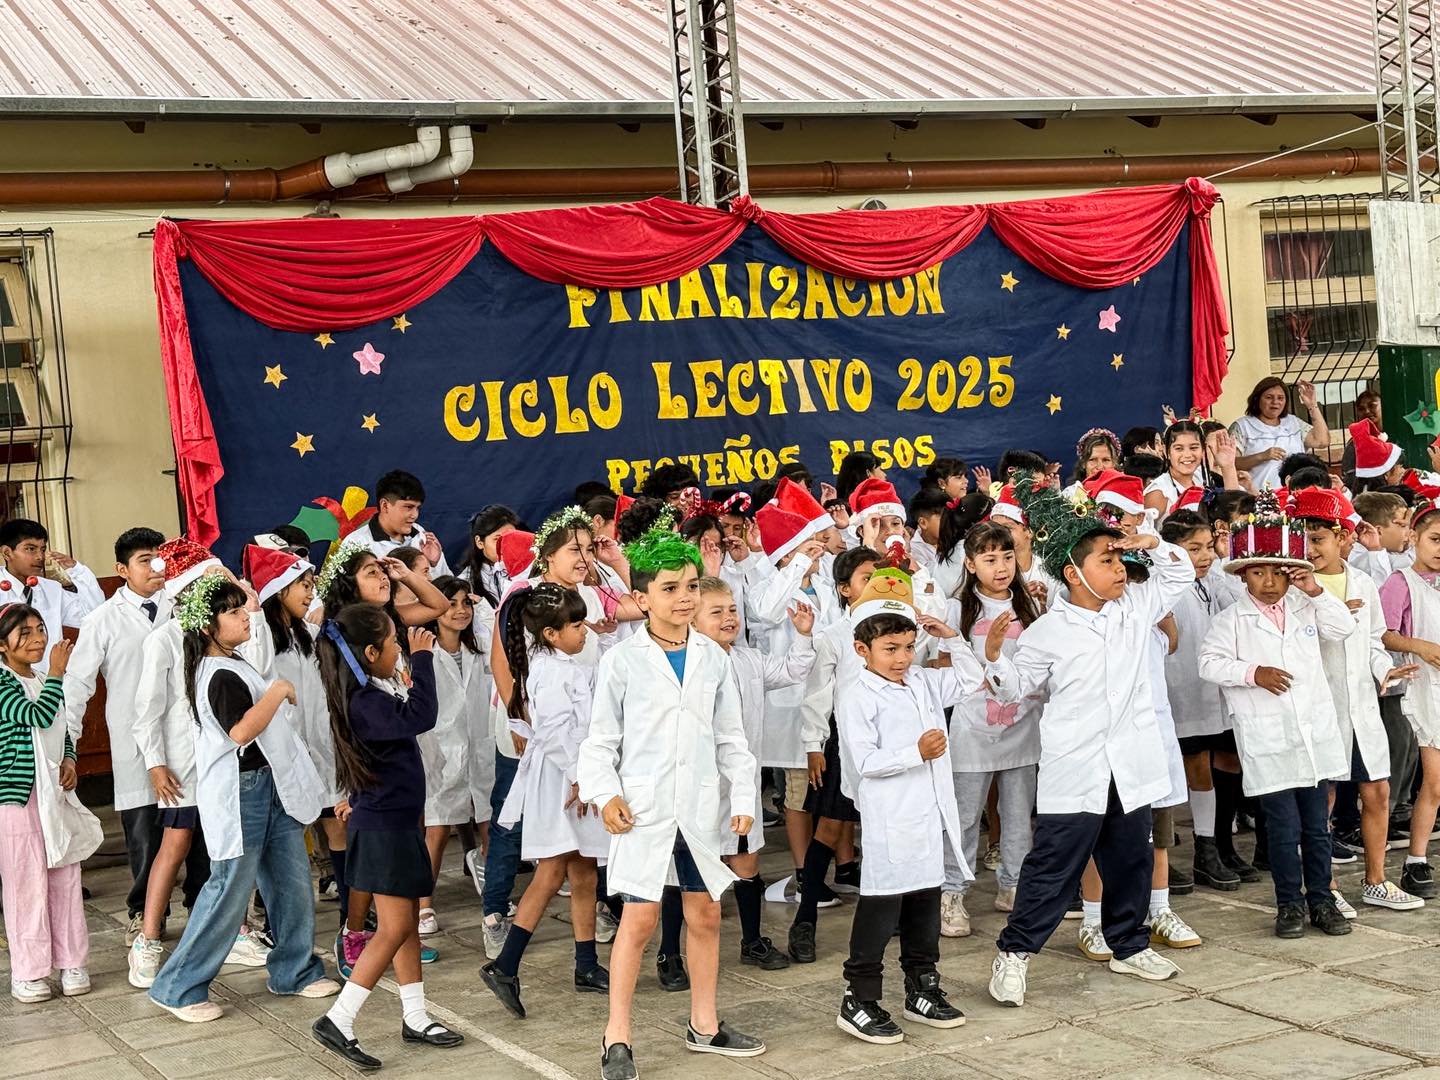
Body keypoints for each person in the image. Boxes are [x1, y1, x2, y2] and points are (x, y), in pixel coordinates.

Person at [988, 475, 1195, 1008]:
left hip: (1129, 764)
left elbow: (1180, 571)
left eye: (1119, 558)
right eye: (1107, 560)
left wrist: (1152, 542)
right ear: (1073, 574)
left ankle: (1129, 946)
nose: (1119, 567)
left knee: (1131, 860)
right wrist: (993, 657)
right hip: (1076, 768)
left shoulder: (1136, 607)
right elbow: (1013, 690)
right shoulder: (1047, 632)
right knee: (1053, 867)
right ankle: (1014, 953)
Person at [577, 530, 764, 1080]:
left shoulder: (712, 658)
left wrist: (743, 796)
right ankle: (617, 1035)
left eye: (690, 586)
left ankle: (704, 1024)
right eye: (669, 588)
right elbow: (599, 741)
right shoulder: (622, 661)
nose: (684, 598)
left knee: (705, 913)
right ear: (642, 598)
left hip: (699, 808)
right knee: (639, 919)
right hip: (643, 809)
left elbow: (731, 737)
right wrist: (605, 794)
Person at [832, 568, 1014, 1044]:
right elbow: (865, 761)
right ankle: (860, 997)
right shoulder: (856, 696)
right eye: (890, 649)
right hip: (891, 817)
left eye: (909, 647)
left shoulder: (921, 682)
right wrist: (916, 752)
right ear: (862, 649)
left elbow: (972, 678)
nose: (902, 658)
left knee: (925, 904)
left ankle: (922, 986)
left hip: (929, 815)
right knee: (881, 907)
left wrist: (951, 637)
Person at [148, 576, 336, 1022]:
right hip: (241, 791)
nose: (244, 617)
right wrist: (277, 692)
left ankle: (294, 970)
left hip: (272, 785)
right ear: (208, 625)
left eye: (242, 609)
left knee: (290, 881)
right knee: (229, 889)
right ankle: (177, 986)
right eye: (232, 612)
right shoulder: (216, 673)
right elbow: (240, 731)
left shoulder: (235, 660)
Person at [1199, 490, 1358, 938]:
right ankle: (1289, 903)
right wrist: (1253, 673)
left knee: (1318, 828)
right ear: (1242, 574)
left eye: (1277, 571)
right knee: (1284, 830)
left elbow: (1343, 627)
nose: (1269, 581)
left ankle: (1322, 900)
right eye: (1257, 572)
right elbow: (1208, 663)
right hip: (1268, 741)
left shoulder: (1307, 604)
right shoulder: (1231, 620)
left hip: (1312, 736)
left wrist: (1314, 588)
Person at [313, 604, 464, 1069]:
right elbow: (422, 714)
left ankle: (415, 1015)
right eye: (394, 642)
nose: (400, 648)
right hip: (384, 830)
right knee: (396, 927)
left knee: (406, 926)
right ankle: (339, 1018)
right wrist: (423, 659)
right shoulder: (365, 702)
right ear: (371, 653)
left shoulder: (370, 692)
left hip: (393, 821)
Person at [130, 538, 274, 990]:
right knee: (176, 841)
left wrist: (252, 608)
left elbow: (262, 669)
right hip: (183, 762)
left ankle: (238, 930)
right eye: (210, 581)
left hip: (228, 758)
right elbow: (148, 708)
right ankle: (148, 938)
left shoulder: (229, 634)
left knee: (228, 843)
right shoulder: (164, 639)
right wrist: (155, 762)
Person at [481, 583, 609, 1017]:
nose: (584, 631)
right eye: (576, 625)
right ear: (551, 633)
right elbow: (554, 733)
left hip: (571, 775)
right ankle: (505, 965)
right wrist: (579, 777)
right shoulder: (552, 671)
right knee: (553, 871)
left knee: (584, 869)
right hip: (561, 780)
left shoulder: (559, 663)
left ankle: (586, 964)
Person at [1294, 488, 1424, 911]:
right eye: (1304, 539)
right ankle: (1325, 886)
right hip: (1320, 707)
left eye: (1318, 539)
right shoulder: (1294, 588)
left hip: (1362, 707)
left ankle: (1376, 880)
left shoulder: (1363, 582)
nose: (1310, 549)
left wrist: (1385, 670)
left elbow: (1372, 641)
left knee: (1378, 792)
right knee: (1325, 798)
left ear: (1343, 537)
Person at [687, 575, 813, 973]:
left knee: (746, 859)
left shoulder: (749, 659)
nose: (728, 618)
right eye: (716, 612)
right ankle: (672, 953)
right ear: (691, 619)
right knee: (690, 867)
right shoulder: (687, 664)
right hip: (700, 783)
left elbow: (793, 670)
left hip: (742, 781)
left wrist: (803, 636)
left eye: (732, 610)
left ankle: (752, 940)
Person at [62, 527, 170, 944]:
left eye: (160, 558)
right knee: (143, 831)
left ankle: (201, 905)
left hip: (183, 734)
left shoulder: (183, 606)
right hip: (133, 740)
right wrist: (68, 744)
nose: (156, 567)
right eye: (145, 560)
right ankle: (144, 913)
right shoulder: (102, 619)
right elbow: (77, 685)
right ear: (121, 569)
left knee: (197, 829)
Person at [940, 521, 1041, 939]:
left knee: (1017, 814)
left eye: (1007, 557)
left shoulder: (1029, 604)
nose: (1001, 567)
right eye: (989, 559)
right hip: (973, 728)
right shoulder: (957, 609)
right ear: (970, 564)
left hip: (1023, 724)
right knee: (965, 815)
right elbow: (941, 664)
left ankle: (1013, 883)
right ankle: (952, 891)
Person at [750, 480, 841, 905]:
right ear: (786, 554)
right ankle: (804, 875)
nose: (816, 552)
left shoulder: (822, 586)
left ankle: (823, 869)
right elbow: (768, 612)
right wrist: (796, 564)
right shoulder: (767, 587)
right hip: (789, 705)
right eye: (806, 546)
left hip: (825, 698)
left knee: (826, 790)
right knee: (798, 793)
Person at [790, 545, 883, 962]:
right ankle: (805, 918)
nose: (876, 584)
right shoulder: (833, 637)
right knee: (828, 828)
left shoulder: (899, 625)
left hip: (889, 741)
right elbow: (817, 695)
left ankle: (889, 914)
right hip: (845, 742)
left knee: (883, 829)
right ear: (845, 589)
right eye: (866, 578)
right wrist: (814, 745)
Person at [0, 604, 93, 1004]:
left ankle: (72, 962)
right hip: (18, 798)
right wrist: (57, 673)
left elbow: (61, 729)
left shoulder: (40, 678)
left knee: (65, 874)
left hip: (53, 794)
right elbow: (37, 715)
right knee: (26, 883)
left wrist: (69, 760)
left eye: (40, 629)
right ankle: (29, 972)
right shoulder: (3, 684)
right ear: (2, 645)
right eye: (24, 633)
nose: (38, 638)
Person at [1159, 512, 1251, 891]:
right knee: (1194, 766)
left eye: (1208, 547)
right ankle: (1200, 851)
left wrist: (1225, 563)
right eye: (1193, 549)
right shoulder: (1163, 586)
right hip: (1181, 689)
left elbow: (1239, 605)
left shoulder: (1212, 580)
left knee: (1227, 760)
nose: (1205, 556)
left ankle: (1220, 845)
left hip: (1217, 689)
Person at [416, 576, 493, 939]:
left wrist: (484, 606)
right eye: (451, 604)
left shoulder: (479, 650)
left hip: (480, 743)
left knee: (488, 820)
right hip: (441, 748)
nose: (460, 610)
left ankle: (494, 894)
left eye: (466, 603)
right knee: (437, 827)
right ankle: (423, 904)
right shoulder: (424, 652)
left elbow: (496, 627)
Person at [1379, 497, 1440, 902]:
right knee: (1434, 780)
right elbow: (1383, 632)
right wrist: (1419, 646)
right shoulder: (1401, 582)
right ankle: (1416, 859)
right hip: (1425, 687)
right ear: (1414, 537)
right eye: (1435, 538)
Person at [0, 518, 104, 676]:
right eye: (30, 549)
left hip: (49, 681)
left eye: (42, 549)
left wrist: (77, 571)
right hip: (6, 684)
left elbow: (94, 615)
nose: (40, 557)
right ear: (7, 553)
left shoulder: (51, 589)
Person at [1229, 377, 1330, 491]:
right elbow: (1231, 463)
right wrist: (1262, 456)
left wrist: (1312, 405)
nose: (1275, 402)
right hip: (1258, 495)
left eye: (1280, 398)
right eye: (1269, 397)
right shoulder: (1242, 426)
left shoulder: (1294, 422)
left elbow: (1322, 441)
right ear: (1257, 399)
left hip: (1294, 494)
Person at [364, 469, 452, 575]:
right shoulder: (358, 543)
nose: (415, 515)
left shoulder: (422, 536)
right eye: (408, 507)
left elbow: (448, 583)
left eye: (417, 508)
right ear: (385, 506)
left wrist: (434, 564)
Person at [459, 505, 519, 609]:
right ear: (479, 542)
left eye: (512, 538)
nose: (506, 545)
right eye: (497, 539)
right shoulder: (466, 581)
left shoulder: (528, 573)